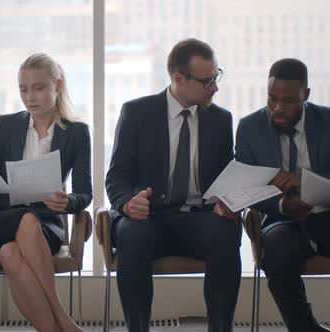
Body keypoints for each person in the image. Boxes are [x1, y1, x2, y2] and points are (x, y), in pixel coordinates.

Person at [105, 38, 241, 332]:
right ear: (179, 79)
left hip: (199, 218)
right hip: (149, 218)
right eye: (208, 81)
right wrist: (128, 203)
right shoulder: (137, 113)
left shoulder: (220, 120)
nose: (215, 87)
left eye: (217, 77)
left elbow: (228, 178)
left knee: (226, 233)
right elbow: (116, 177)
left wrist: (231, 199)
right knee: (131, 233)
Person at [0, 53, 92, 332]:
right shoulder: (7, 126)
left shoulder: (77, 132)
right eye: (23, 89)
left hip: (44, 227)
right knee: (24, 221)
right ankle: (62, 316)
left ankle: (51, 329)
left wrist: (67, 202)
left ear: (58, 86)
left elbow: (84, 194)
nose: (30, 96)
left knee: (10, 252)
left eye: (38, 88)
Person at [235, 58, 330, 332]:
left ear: (306, 95)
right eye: (271, 98)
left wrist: (304, 180)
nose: (278, 108)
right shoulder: (249, 128)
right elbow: (247, 188)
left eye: (288, 101)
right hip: (282, 220)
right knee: (276, 256)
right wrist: (282, 203)